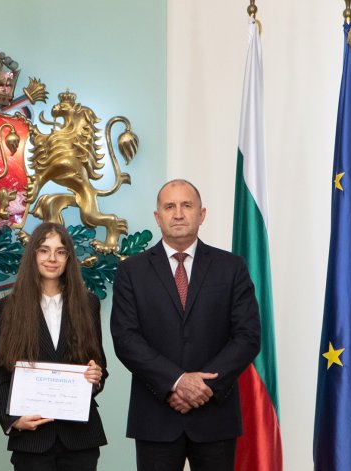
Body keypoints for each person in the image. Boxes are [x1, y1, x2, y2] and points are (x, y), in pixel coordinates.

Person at [110, 179, 261, 470]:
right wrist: (176, 382)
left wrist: (203, 387)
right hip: (156, 417)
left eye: (186, 205)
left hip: (215, 415)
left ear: (201, 214)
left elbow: (247, 336)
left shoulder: (232, 267)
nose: (178, 213)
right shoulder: (131, 271)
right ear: (158, 217)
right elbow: (126, 338)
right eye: (169, 206)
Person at [0, 222, 108, 470]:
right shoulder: (10, 307)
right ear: (33, 254)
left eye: (60, 251)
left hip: (80, 439)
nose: (52, 258)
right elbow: (1, 378)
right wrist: (13, 420)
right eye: (44, 250)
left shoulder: (89, 304)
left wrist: (96, 377)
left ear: (68, 257)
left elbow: (99, 368)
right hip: (32, 440)